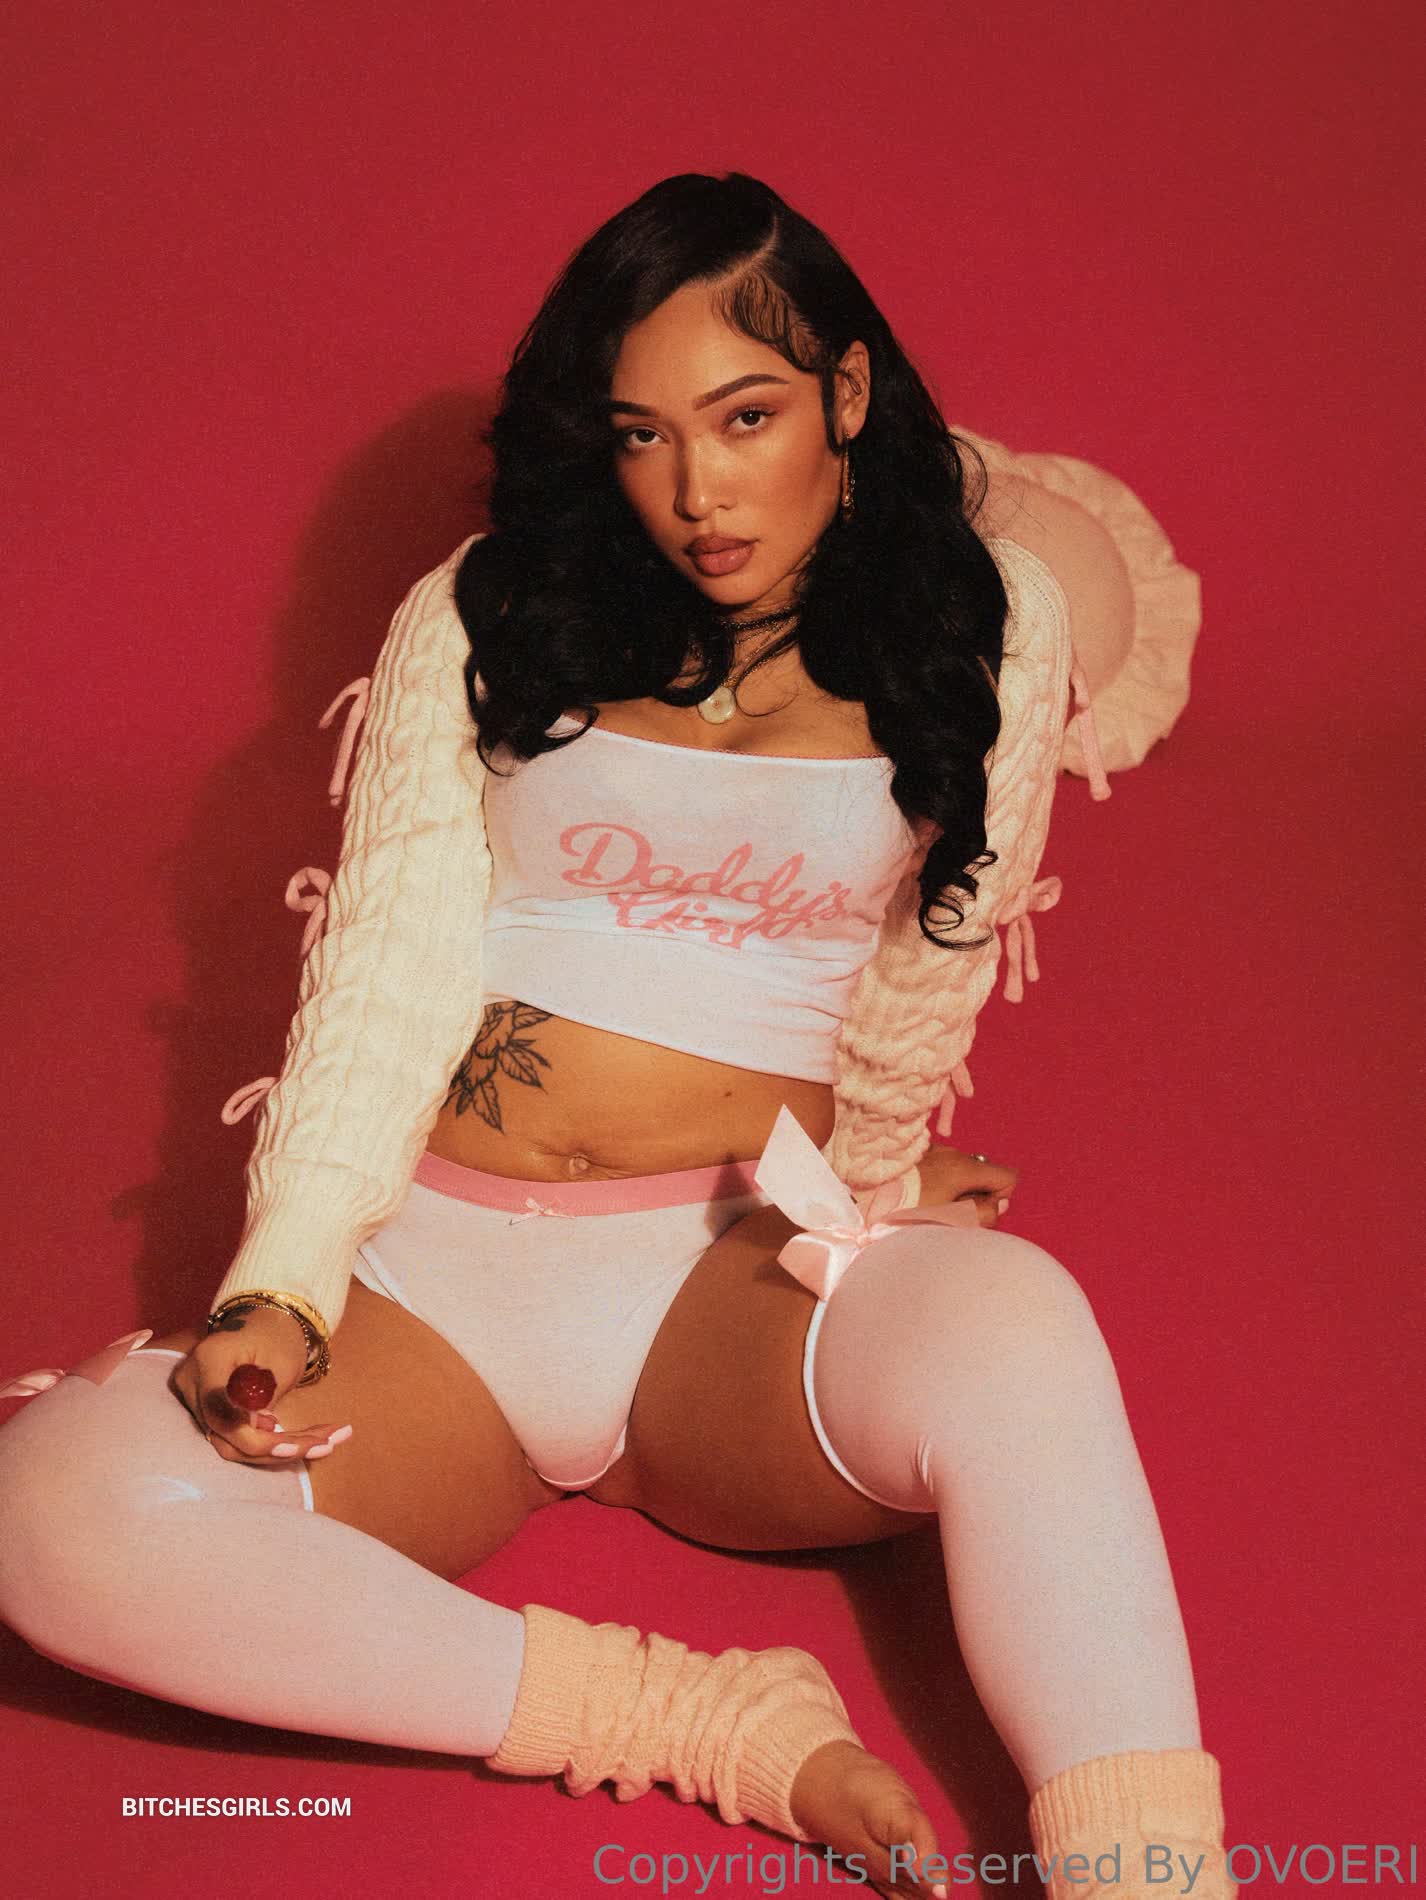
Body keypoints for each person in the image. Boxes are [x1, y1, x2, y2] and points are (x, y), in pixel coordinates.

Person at [0, 173, 1233, 1900]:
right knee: (49, 1514)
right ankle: (702, 1721)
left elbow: (930, 961)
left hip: (728, 1295)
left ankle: (1151, 1880)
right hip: (434, 1292)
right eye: (642, 434)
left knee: (1017, 1316)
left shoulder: (987, 624)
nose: (696, 491)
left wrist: (880, 1179)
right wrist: (283, 1282)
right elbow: (384, 967)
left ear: (847, 393)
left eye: (745, 418)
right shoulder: (488, 610)